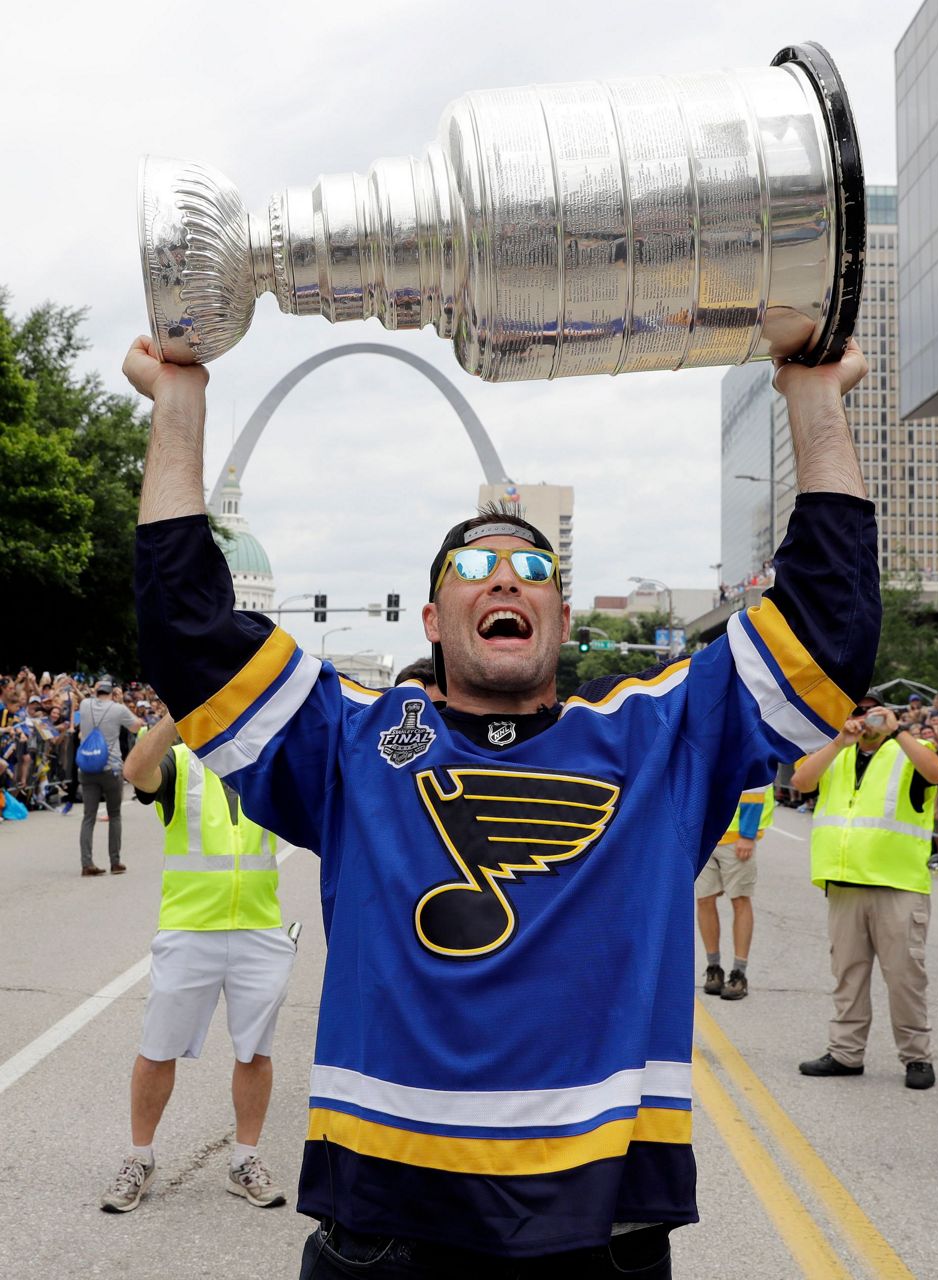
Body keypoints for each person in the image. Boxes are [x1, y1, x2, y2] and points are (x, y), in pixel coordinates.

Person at [124, 332, 879, 1278]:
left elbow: (830, 629)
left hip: (599, 1235)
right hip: (386, 1231)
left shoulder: (656, 740)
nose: (508, 579)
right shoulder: (357, 744)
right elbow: (185, 634)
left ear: (560, 619)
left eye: (532, 570)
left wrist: (811, 396)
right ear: (434, 623)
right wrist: (180, 402)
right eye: (474, 572)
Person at [100, 713, 294, 1213]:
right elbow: (136, 770)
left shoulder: (264, 764)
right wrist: (176, 712)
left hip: (258, 927)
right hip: (189, 930)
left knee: (255, 1051)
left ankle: (243, 1161)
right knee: (157, 1049)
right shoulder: (180, 762)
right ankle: (139, 1157)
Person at [790, 690, 938, 1090]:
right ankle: (845, 1053)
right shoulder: (836, 752)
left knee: (905, 978)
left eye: (870, 713)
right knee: (848, 975)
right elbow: (801, 781)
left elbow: (937, 774)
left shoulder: (912, 748)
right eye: (855, 713)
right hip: (844, 884)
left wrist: (899, 732)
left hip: (897, 885)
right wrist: (839, 739)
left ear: (887, 716)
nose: (863, 721)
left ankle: (916, 1057)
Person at [696, 784, 774, 1001]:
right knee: (704, 900)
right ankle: (713, 968)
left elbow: (756, 786)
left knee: (740, 900)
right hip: (705, 835)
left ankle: (739, 973)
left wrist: (748, 834)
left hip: (737, 836)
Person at [77, 679, 144, 875]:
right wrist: (120, 702)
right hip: (111, 767)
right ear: (112, 692)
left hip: (88, 766)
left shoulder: (84, 704)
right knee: (114, 815)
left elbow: (86, 700)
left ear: (97, 691)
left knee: (88, 816)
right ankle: (115, 862)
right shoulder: (117, 709)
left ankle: (86, 863)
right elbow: (135, 727)